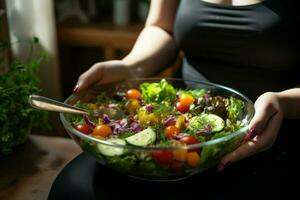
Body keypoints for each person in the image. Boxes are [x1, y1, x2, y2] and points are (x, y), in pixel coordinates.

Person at [72, 0, 300, 172]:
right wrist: (130, 67)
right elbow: (163, 28)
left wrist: (285, 103)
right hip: (181, 136)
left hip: (278, 137)